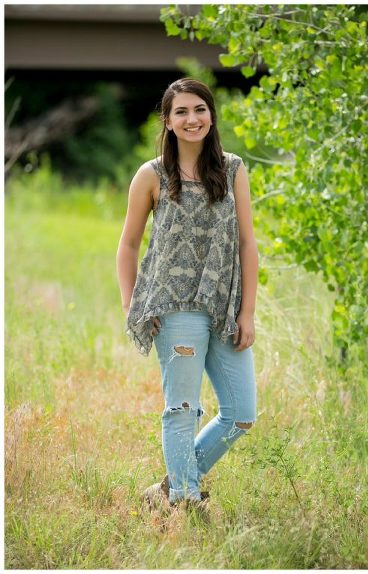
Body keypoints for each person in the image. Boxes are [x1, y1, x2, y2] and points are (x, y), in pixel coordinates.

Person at [116, 78, 259, 512]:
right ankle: (184, 502)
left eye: (199, 109)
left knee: (240, 414)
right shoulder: (152, 174)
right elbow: (128, 245)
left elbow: (248, 244)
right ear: (168, 120)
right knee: (182, 409)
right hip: (173, 306)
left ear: (211, 115)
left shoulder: (233, 169)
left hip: (224, 306)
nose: (191, 118)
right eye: (181, 112)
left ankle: (169, 489)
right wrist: (132, 305)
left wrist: (247, 312)